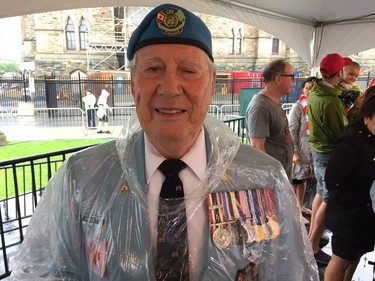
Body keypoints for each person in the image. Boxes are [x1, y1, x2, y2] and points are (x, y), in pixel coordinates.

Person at [10, 4, 318, 281]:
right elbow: (44, 272)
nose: (170, 87)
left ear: (211, 85)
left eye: (188, 70)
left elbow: (291, 273)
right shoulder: (81, 179)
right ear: (133, 85)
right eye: (153, 69)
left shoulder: (264, 177)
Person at [307, 53, 361, 267]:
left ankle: (312, 236)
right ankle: (312, 245)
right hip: (329, 151)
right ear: (339, 73)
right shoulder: (331, 102)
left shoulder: (317, 90)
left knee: (321, 192)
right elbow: (343, 131)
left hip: (317, 148)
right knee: (329, 197)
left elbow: (339, 91)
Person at [323, 85, 375, 281]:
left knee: (355, 255)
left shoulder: (370, 136)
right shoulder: (351, 141)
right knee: (341, 258)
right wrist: (358, 205)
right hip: (350, 211)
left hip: (365, 211)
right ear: (366, 117)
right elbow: (333, 181)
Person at [245, 59, 294, 181]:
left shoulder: (272, 103)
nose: (293, 81)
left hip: (280, 180)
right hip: (271, 183)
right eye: (291, 77)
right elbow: (257, 149)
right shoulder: (260, 106)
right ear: (278, 78)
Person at [288, 76, 316, 220]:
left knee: (303, 178)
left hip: (310, 149)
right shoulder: (298, 106)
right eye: (307, 88)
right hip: (300, 148)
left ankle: (300, 205)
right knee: (295, 179)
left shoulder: (315, 106)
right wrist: (295, 151)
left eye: (313, 88)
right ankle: (294, 212)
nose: (309, 91)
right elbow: (292, 129)